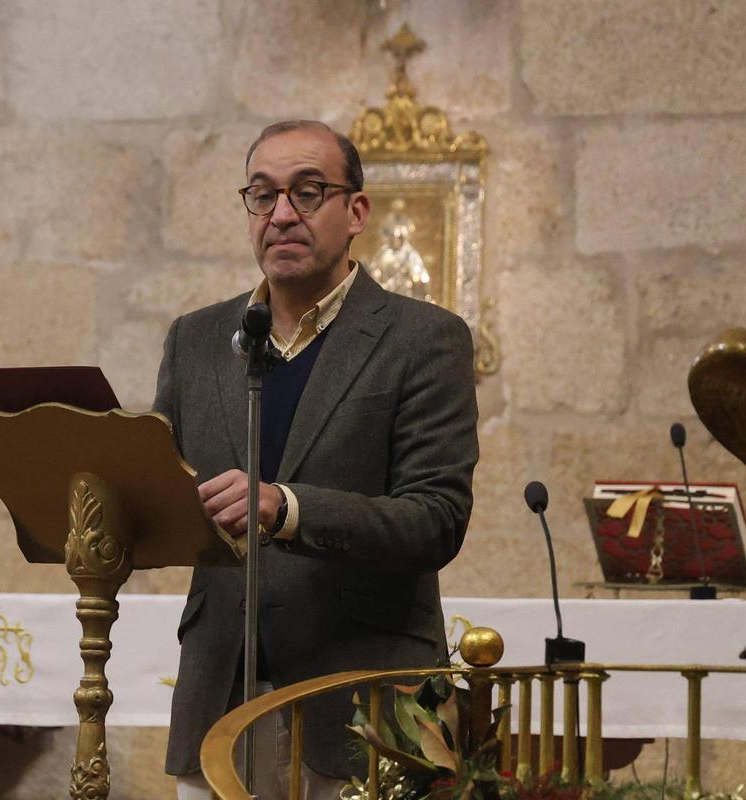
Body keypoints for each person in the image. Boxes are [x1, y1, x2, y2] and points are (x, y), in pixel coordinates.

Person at [153, 120, 479, 800]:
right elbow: (164, 490)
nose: (281, 215)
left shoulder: (423, 340)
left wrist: (288, 508)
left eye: (307, 192)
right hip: (220, 694)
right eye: (262, 195)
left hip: (362, 704)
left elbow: (436, 519)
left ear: (356, 211)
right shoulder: (198, 339)